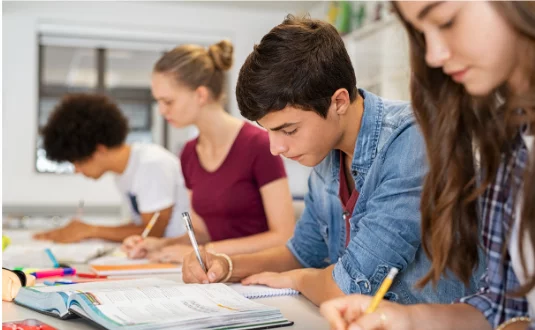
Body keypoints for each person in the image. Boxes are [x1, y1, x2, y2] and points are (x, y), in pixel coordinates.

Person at [181, 15, 482, 306]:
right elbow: (301, 253)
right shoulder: (326, 154)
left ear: (338, 101)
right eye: (269, 131)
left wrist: (300, 280)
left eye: (289, 129)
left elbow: (351, 286)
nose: (275, 148)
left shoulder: (412, 141)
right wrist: (226, 264)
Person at [320, 2, 535, 330]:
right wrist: (407, 319)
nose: (433, 55)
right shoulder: (510, 143)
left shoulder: (405, 139)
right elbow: (503, 306)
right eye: (421, 33)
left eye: (447, 21)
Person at [121, 40, 295, 263]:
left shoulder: (259, 145)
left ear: (200, 95)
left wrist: (205, 251)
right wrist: (160, 245)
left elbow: (283, 236)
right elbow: (202, 233)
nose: (162, 111)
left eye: (168, 101)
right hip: (217, 275)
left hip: (261, 274)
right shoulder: (189, 153)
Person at [34, 94, 188, 243]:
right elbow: (139, 227)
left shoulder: (151, 164)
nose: (77, 170)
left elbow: (152, 232)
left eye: (78, 162)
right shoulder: (123, 173)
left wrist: (90, 230)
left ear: (100, 149)